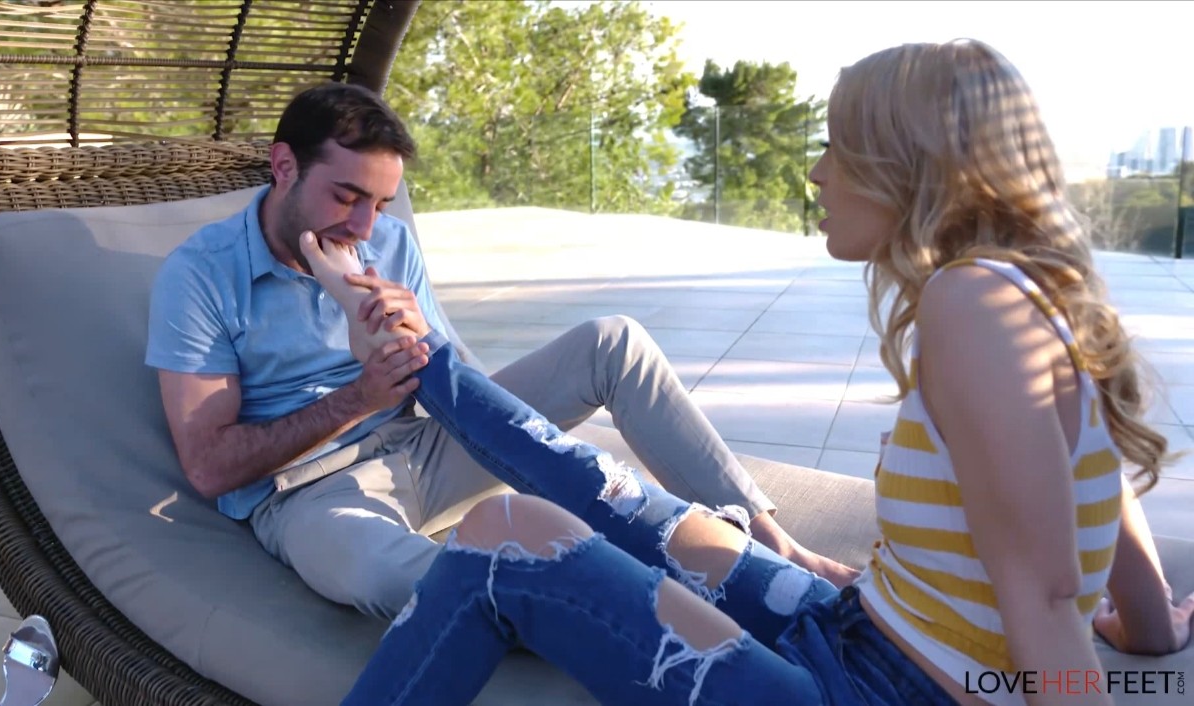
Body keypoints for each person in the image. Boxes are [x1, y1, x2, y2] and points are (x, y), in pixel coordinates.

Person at [320, 39, 1194, 706]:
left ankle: (412, 353)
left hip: (872, 688)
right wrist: (1149, 631)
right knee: (609, 488)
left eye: (837, 148)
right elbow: (1094, 490)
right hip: (853, 627)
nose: (816, 172)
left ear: (906, 166)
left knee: (504, 536)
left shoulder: (970, 302)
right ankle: (413, 351)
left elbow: (1046, 597)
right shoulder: (1031, 296)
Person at [144, 82, 855, 623]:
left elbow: (459, 391)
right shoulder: (201, 276)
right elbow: (210, 467)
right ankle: (637, 606)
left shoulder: (385, 241)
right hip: (309, 491)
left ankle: (777, 548)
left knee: (613, 343)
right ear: (284, 166)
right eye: (347, 196)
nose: (364, 226)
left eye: (381, 203)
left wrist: (412, 344)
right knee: (385, 577)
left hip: (426, 445)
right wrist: (359, 396)